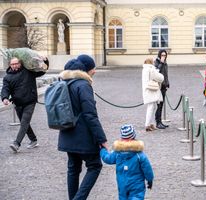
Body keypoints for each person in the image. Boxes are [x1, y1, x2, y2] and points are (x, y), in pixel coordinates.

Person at [58, 54, 108, 200]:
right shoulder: (83, 85)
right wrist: (101, 139)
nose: (95, 71)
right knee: (95, 166)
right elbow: (90, 115)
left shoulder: (64, 83)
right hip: (83, 136)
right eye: (93, 68)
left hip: (67, 133)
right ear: (85, 70)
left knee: (73, 168)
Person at [1, 57, 47, 152]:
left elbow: (42, 71)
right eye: (12, 64)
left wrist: (45, 61)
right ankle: (33, 140)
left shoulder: (28, 71)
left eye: (16, 63)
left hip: (30, 101)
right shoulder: (7, 77)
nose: (14, 65)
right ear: (10, 65)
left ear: (20, 63)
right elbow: (5, 89)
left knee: (24, 123)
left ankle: (16, 143)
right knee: (24, 123)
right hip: (18, 103)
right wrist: (5, 98)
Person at [100, 124, 154, 200]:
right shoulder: (139, 155)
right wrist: (150, 179)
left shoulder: (117, 153)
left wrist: (103, 150)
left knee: (123, 197)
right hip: (137, 184)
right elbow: (147, 169)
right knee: (137, 197)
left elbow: (107, 158)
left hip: (122, 184)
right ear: (134, 137)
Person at [142, 58, 164, 131]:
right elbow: (160, 78)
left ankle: (150, 124)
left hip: (147, 90)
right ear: (151, 62)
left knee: (151, 107)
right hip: (151, 90)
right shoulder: (151, 69)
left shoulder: (145, 69)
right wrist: (161, 75)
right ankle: (147, 125)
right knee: (151, 107)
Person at [154, 49, 170, 129]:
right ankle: (158, 122)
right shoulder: (157, 62)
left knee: (161, 105)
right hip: (159, 87)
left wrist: (167, 83)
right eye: (162, 55)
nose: (164, 56)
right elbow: (157, 72)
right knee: (159, 105)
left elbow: (165, 74)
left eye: (165, 55)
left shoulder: (165, 63)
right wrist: (161, 63)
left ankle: (160, 121)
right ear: (159, 55)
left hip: (164, 86)